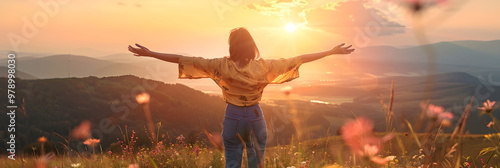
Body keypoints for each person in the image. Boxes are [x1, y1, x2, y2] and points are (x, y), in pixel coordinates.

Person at [128, 27, 354, 168]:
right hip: (256, 116)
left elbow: (183, 59)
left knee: (232, 163)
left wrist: (151, 53)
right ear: (252, 46)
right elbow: (299, 58)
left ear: (231, 46)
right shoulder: (264, 66)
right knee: (257, 163)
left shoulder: (220, 65)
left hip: (232, 117)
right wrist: (330, 51)